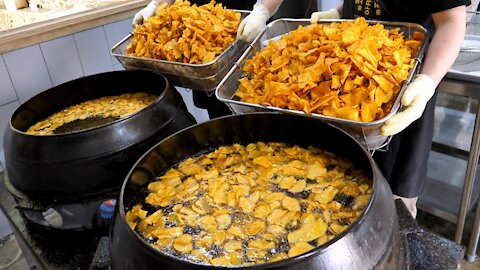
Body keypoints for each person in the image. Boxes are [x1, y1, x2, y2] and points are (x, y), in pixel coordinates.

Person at [311, 0, 469, 218]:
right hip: (344, 96)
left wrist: (427, 83)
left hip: (402, 89)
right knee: (335, 195)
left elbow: (451, 22)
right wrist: (338, 12)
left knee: (393, 209)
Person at [132, 0, 287, 119]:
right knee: (218, 115)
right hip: (201, 44)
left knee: (256, 104)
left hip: (249, 26)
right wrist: (155, 5)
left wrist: (262, 12)